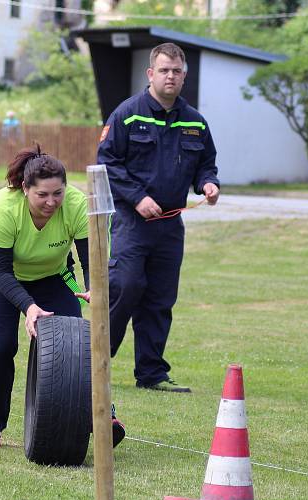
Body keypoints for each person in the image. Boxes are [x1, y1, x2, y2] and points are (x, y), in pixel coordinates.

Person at [0, 144, 126, 448]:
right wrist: (29, 308)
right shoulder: (2, 207)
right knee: (1, 348)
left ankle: (102, 414)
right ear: (24, 189)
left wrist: (96, 287)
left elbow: (91, 260)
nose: (51, 202)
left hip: (52, 276)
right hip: (2, 277)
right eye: (42, 195)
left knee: (77, 344)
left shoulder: (77, 205)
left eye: (58, 193)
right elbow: (1, 271)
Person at [97, 42, 220, 393]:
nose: (171, 76)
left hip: (170, 224)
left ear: (184, 76)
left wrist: (209, 184)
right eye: (164, 70)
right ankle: (97, 362)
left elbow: (205, 164)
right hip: (131, 221)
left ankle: (151, 374)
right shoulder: (127, 114)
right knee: (126, 286)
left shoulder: (195, 122)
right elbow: (106, 162)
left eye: (177, 71)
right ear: (150, 74)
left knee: (160, 297)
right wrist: (137, 198)